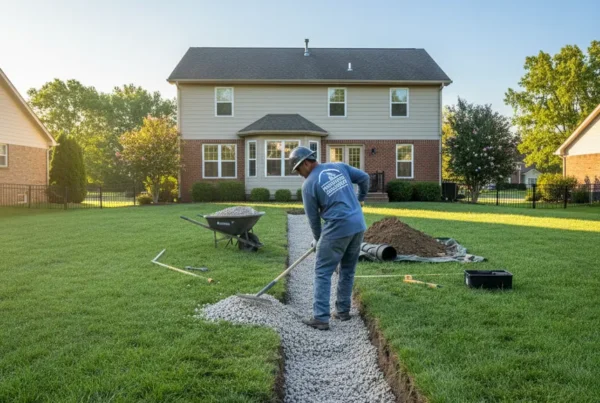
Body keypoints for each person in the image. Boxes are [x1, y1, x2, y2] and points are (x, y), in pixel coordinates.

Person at [289, 146, 370, 330]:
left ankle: (320, 318)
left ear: (306, 163)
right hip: (358, 225)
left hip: (337, 227)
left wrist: (319, 239)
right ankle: (343, 311)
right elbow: (364, 178)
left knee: (322, 271)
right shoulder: (339, 167)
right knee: (347, 269)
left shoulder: (309, 184)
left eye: (298, 169)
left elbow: (313, 218)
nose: (299, 174)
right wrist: (361, 199)